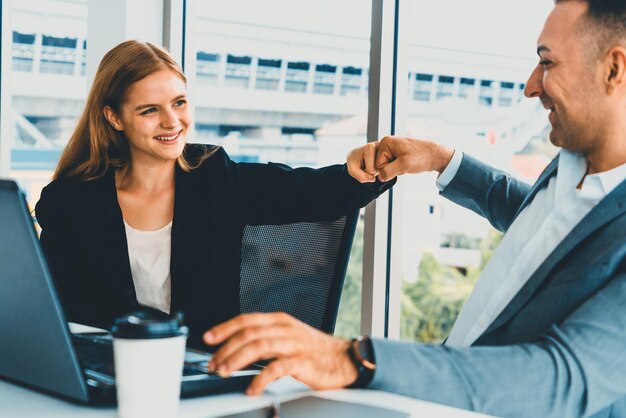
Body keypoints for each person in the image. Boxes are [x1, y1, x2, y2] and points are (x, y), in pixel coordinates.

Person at [202, 1, 626, 417]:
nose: (531, 86)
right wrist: (442, 160)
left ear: (614, 68)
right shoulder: (576, 158)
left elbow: (563, 378)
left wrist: (353, 358)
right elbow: (546, 228)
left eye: (547, 63)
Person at [35, 40, 394, 347]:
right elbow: (53, 313)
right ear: (114, 118)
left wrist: (367, 167)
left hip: (206, 371)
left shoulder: (216, 176)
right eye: (149, 110)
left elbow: (313, 192)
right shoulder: (70, 204)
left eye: (179, 102)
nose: (172, 122)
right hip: (110, 372)